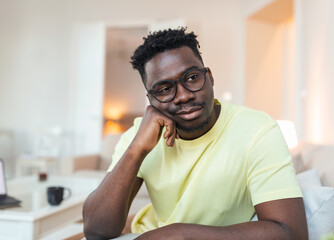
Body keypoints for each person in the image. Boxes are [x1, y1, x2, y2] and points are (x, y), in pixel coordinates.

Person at [83, 27, 308, 240]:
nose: (182, 96)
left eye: (191, 78)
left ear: (209, 77)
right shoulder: (139, 135)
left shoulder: (257, 130)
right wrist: (136, 150)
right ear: (151, 101)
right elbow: (96, 231)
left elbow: (290, 232)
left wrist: (182, 235)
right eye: (164, 89)